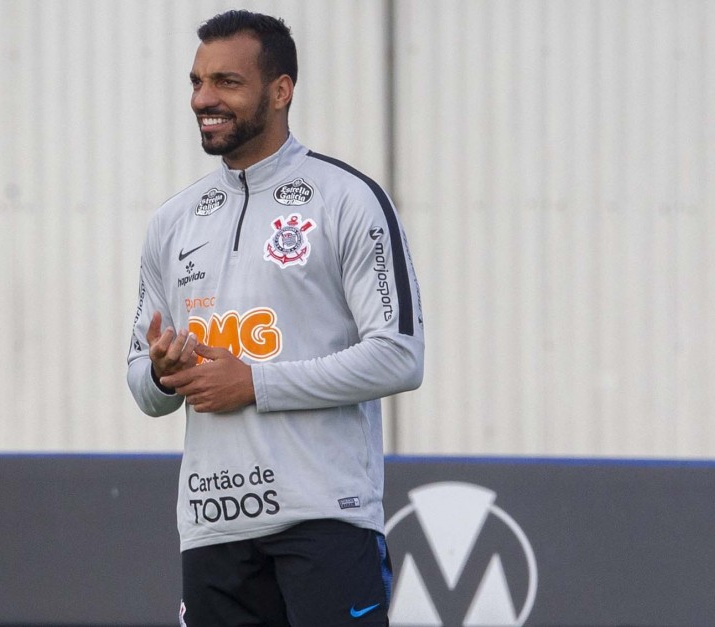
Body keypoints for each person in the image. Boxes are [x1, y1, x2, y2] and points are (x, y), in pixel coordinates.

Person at [126, 9, 424, 626]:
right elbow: (142, 386)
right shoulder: (173, 222)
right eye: (197, 82)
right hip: (211, 529)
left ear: (281, 90)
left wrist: (255, 383)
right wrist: (161, 373)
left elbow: (400, 354)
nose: (204, 99)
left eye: (226, 83)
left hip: (325, 519)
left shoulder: (346, 197)